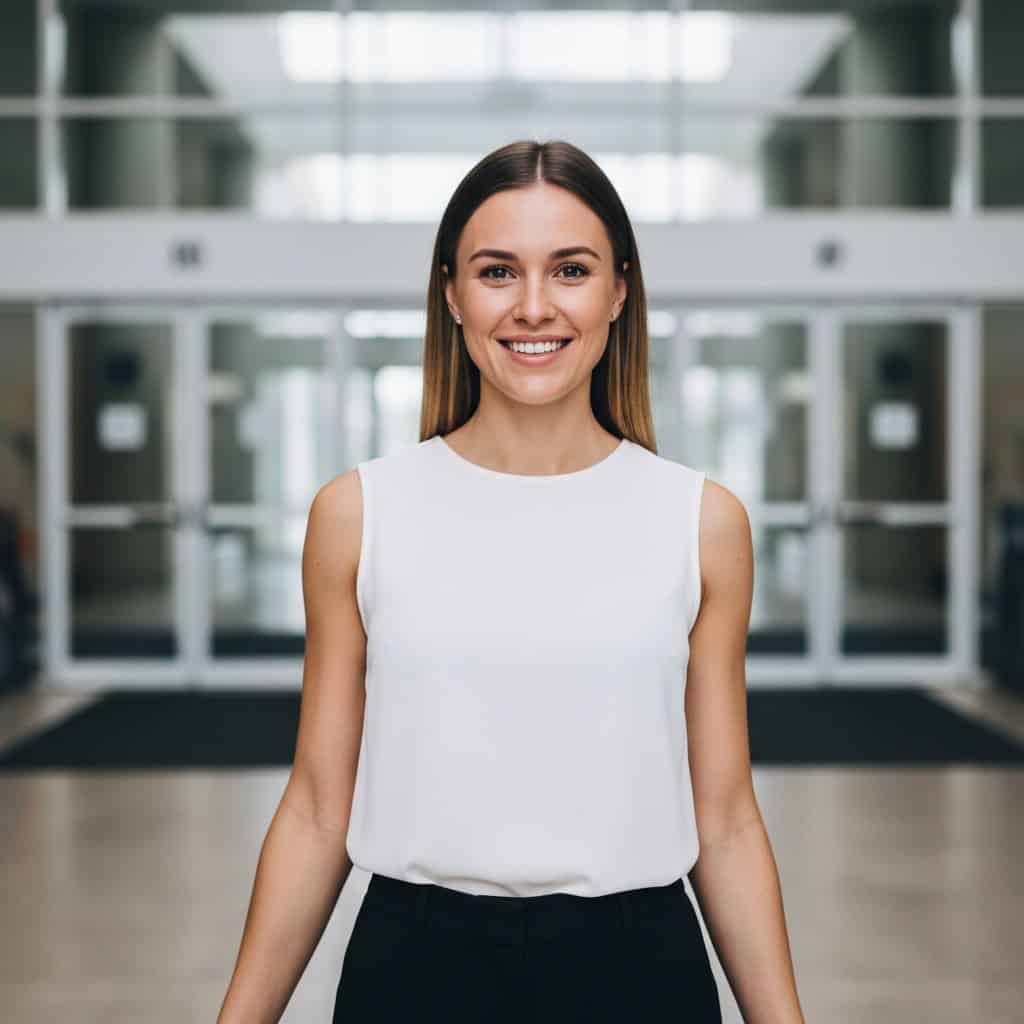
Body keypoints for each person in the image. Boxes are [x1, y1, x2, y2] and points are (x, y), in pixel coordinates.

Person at [216, 139, 806, 1024]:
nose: (534, 307)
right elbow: (315, 808)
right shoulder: (358, 514)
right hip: (414, 974)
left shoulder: (702, 522)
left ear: (619, 291)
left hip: (639, 973)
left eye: (570, 269)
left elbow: (723, 819)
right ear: (451, 293)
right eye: (498, 272)